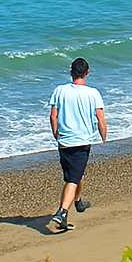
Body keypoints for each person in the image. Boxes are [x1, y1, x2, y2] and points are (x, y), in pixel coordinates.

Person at [46, 56, 107, 233]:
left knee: (75, 174)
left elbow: (53, 116)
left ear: (71, 73)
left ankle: (78, 202)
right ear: (87, 73)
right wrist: (103, 137)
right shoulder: (93, 93)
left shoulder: (60, 90)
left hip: (64, 142)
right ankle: (62, 213)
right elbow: (100, 118)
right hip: (81, 142)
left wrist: (56, 133)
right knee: (72, 179)